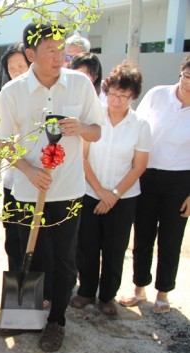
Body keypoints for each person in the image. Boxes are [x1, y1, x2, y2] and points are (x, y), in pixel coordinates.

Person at [0, 23, 103, 351]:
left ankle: (56, 322)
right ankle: (25, 316)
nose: (59, 55)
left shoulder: (80, 85)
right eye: (50, 49)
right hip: (28, 190)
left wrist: (80, 127)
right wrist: (26, 168)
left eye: (61, 47)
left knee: (65, 260)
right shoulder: (13, 92)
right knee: (31, 254)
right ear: (30, 54)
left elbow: (97, 131)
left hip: (67, 189)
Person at [72, 63, 151, 316]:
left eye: (123, 96)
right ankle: (85, 291)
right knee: (87, 245)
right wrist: (101, 191)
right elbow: (82, 158)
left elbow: (139, 166)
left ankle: (107, 296)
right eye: (113, 94)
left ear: (133, 96)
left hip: (124, 198)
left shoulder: (140, 125)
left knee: (115, 248)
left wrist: (114, 194)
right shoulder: (94, 118)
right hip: (90, 191)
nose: (116, 101)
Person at [127, 55, 190, 314]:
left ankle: (163, 292)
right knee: (142, 235)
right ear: (181, 72)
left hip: (180, 180)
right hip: (147, 174)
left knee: (171, 239)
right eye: (187, 78)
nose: (189, 85)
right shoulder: (157, 95)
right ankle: (139, 288)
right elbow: (137, 129)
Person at [0, 43, 31, 273]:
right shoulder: (5, 95)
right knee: (13, 238)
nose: (17, 71)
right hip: (12, 180)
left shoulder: (40, 95)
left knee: (32, 238)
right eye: (12, 67)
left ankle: (38, 291)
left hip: (36, 180)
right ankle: (16, 286)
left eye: (21, 66)